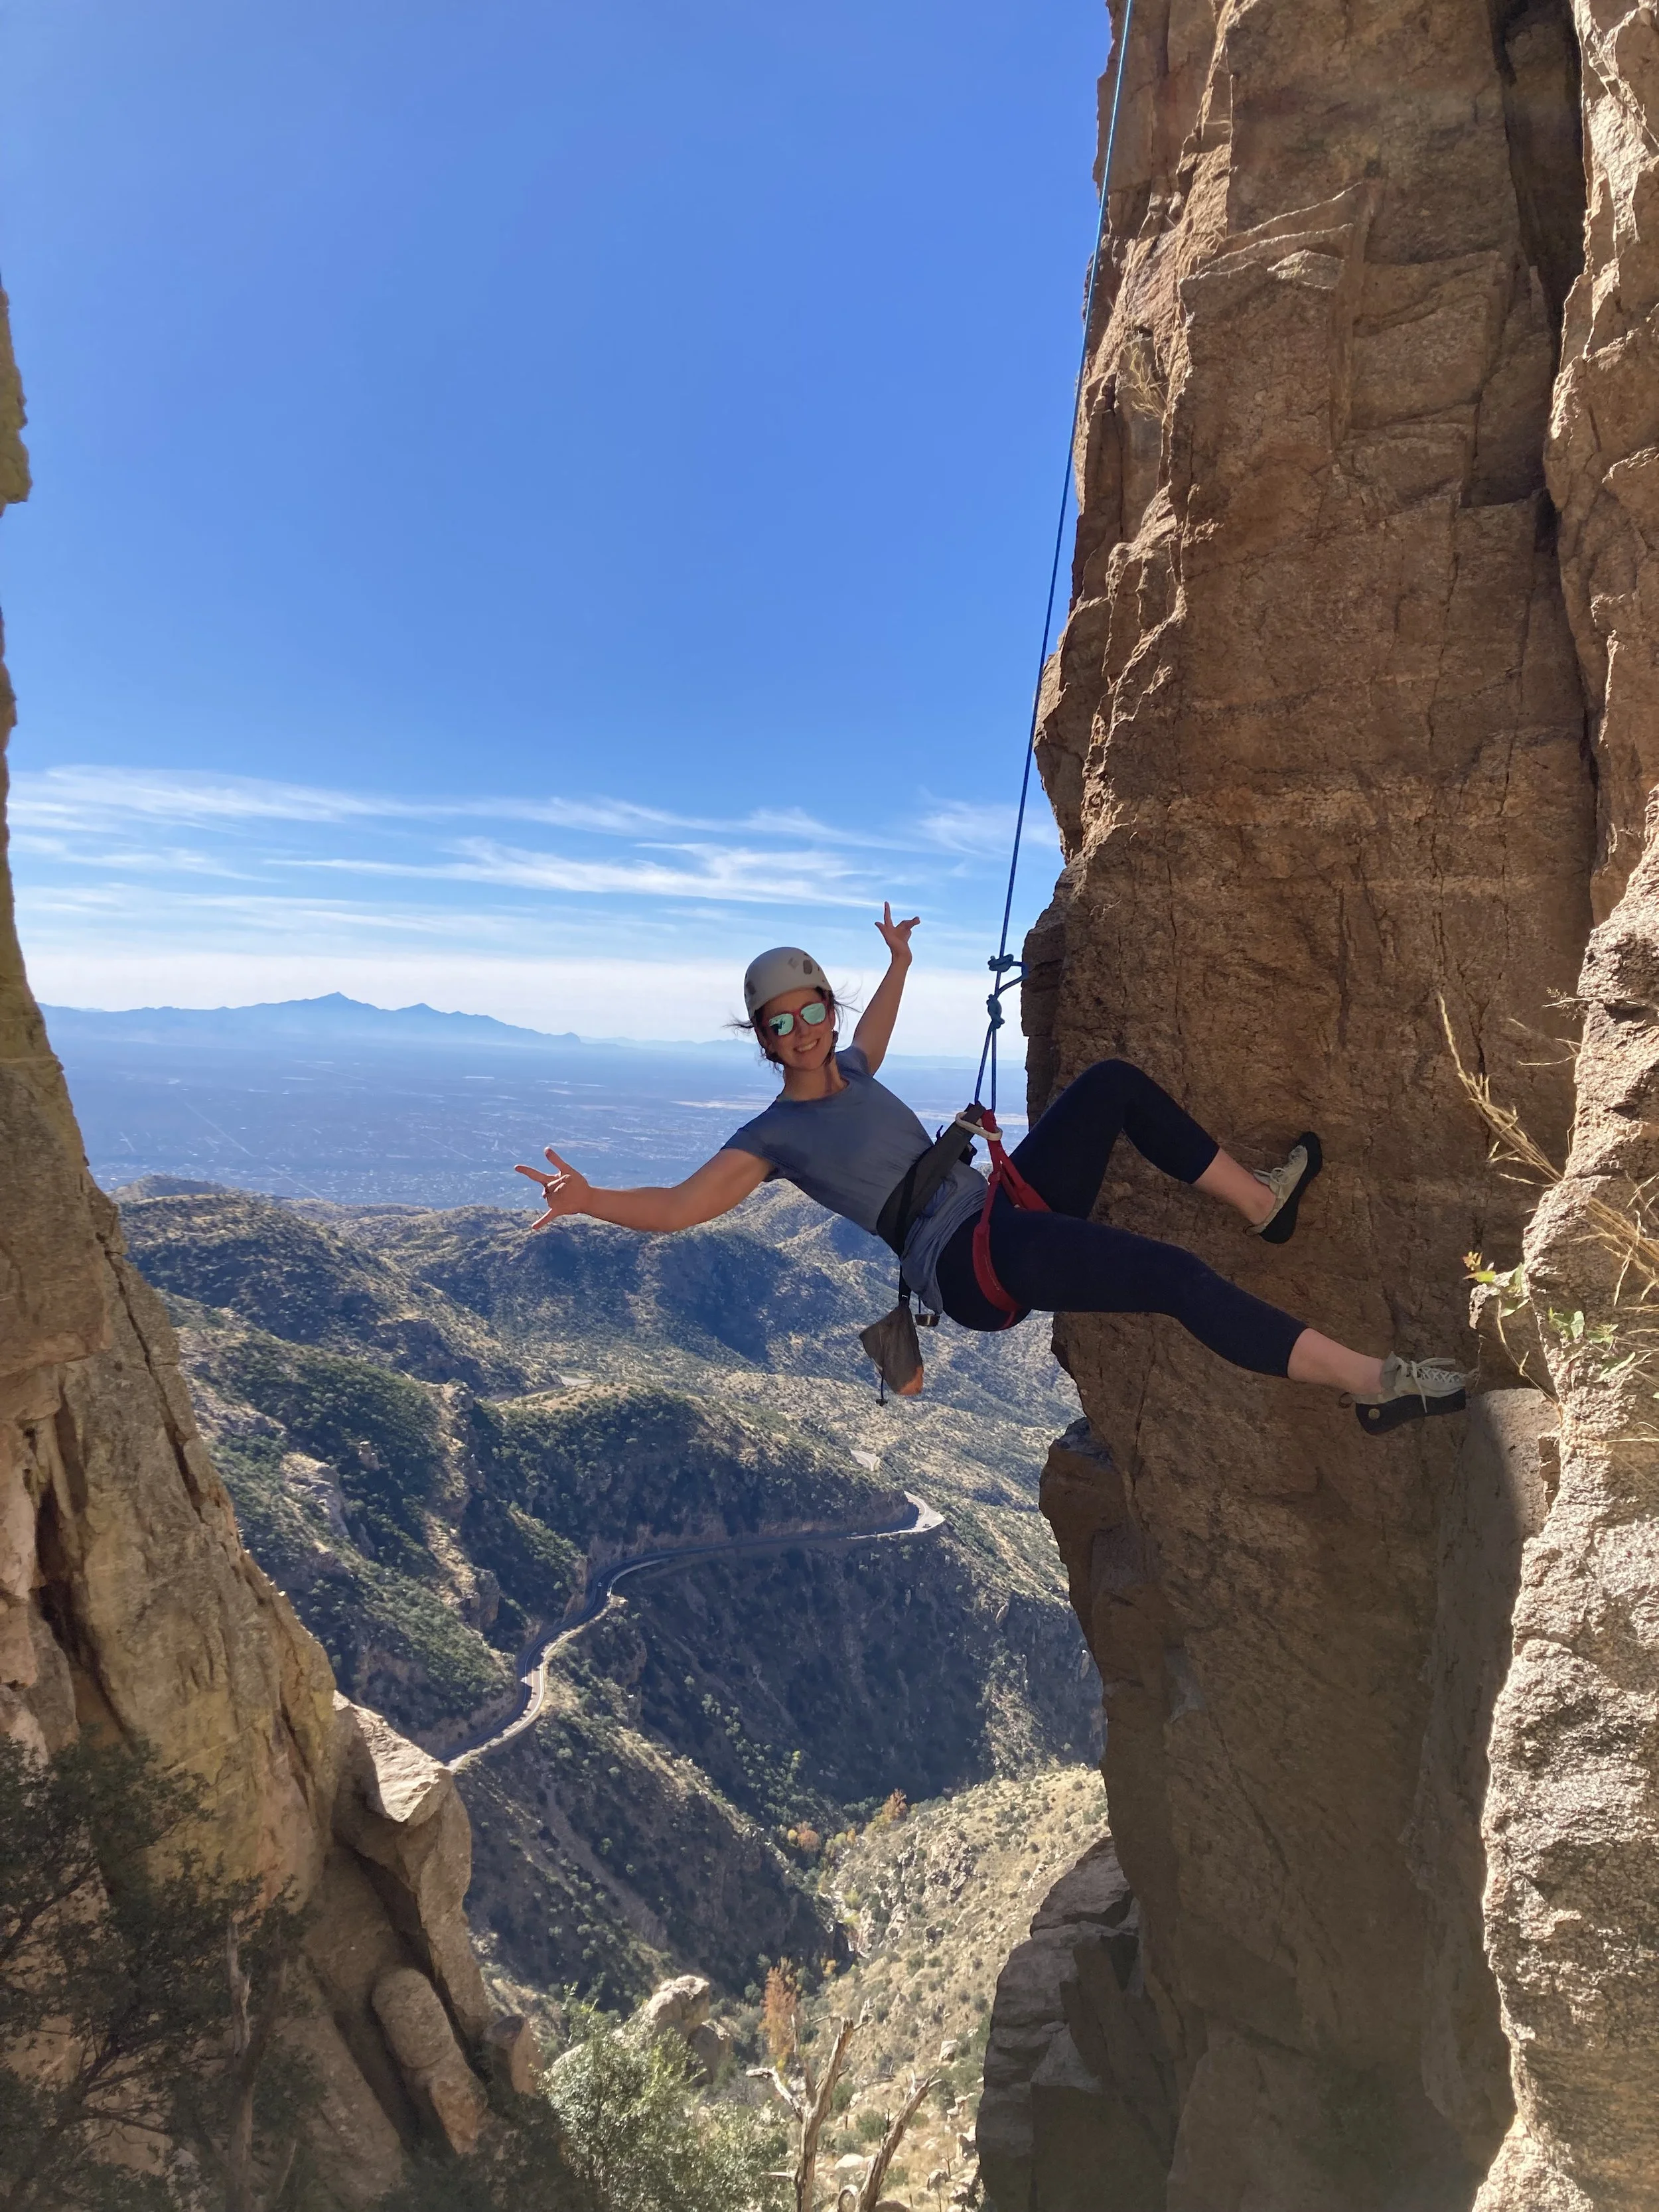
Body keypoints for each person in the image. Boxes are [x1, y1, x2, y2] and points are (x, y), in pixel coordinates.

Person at [516, 907, 1469, 1434]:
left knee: (1108, 1087)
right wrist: (593, 1198)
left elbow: (876, 1033)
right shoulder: (773, 1139)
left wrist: (896, 962)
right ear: (761, 1039)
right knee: (1172, 1279)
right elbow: (686, 1206)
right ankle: (1371, 1384)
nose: (804, 1033)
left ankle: (1262, 1204)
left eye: (814, 1012)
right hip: (969, 1262)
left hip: (997, 1210)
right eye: (783, 1024)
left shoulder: (850, 1065)